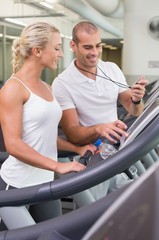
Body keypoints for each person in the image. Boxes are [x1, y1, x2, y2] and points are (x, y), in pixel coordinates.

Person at [0, 22, 96, 225]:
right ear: (37, 51)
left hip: (44, 181)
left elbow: (46, 137)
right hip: (17, 185)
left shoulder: (47, 87)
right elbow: (13, 145)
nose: (61, 54)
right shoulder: (13, 89)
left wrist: (77, 149)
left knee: (54, 233)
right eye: (56, 48)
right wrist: (58, 167)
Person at [52, 21, 148, 206]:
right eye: (87, 47)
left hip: (116, 151)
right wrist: (99, 128)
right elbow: (72, 132)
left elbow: (134, 109)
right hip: (92, 157)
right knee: (95, 215)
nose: (94, 53)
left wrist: (136, 98)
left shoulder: (111, 69)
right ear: (73, 45)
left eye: (98, 46)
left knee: (137, 204)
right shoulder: (63, 83)